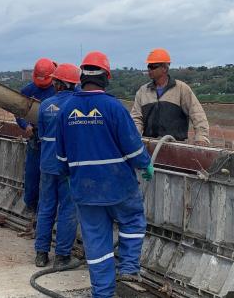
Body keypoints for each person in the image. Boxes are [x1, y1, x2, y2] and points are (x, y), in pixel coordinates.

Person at [55, 51, 153, 298]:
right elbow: (133, 147)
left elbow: (61, 156)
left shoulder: (66, 110)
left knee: (97, 243)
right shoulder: (114, 107)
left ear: (82, 78)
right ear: (106, 77)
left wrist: (69, 174)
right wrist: (145, 164)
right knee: (132, 220)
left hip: (85, 189)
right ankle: (128, 268)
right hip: (118, 184)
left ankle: (102, 294)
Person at [33, 63, 80, 268]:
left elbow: (42, 134)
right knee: (68, 209)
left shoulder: (45, 105)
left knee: (46, 207)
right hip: (69, 166)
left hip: (47, 163)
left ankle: (41, 254)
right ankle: (62, 256)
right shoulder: (77, 106)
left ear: (58, 84)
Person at [130, 48, 210, 144]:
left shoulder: (181, 89)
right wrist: (133, 137)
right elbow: (136, 119)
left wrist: (201, 137)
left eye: (153, 66)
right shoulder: (142, 91)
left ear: (164, 68)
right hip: (149, 144)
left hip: (176, 145)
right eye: (148, 66)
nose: (149, 69)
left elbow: (197, 114)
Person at [16, 58, 57, 220]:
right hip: (36, 138)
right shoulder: (28, 90)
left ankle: (49, 208)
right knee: (32, 175)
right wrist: (25, 125)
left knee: (53, 176)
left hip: (54, 141)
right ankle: (31, 205)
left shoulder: (58, 90)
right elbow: (19, 112)